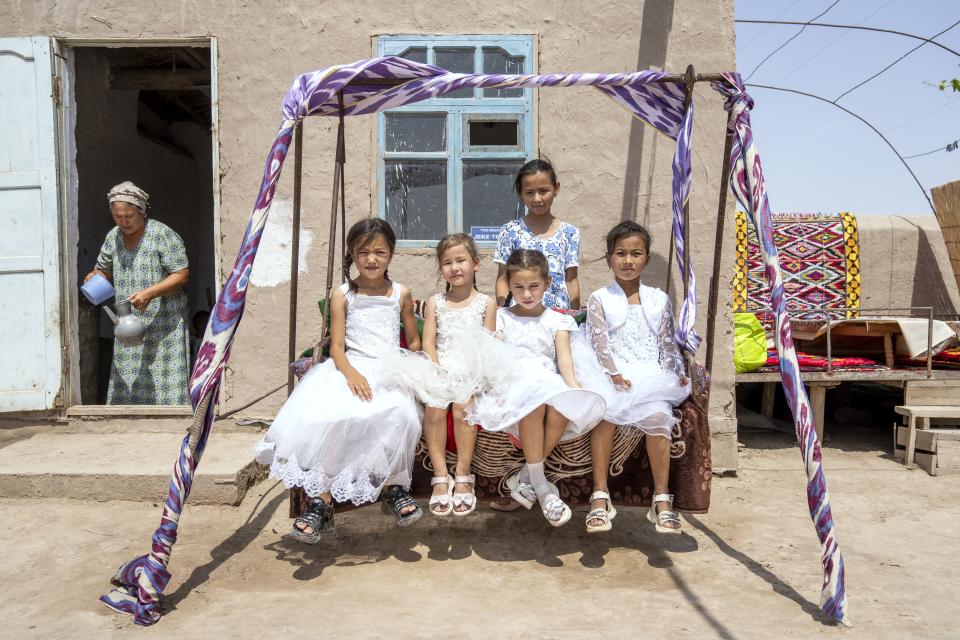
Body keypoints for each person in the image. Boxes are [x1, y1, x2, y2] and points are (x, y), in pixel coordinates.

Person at [255, 218, 425, 543]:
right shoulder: (343, 293)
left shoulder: (401, 293)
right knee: (335, 416)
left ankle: (394, 487)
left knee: (403, 415)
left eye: (380, 252)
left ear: (391, 254)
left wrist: (416, 366)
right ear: (352, 254)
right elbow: (336, 347)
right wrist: (351, 374)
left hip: (389, 368)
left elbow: (413, 341)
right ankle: (322, 502)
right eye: (364, 252)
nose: (371, 259)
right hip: (350, 367)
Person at [468, 249, 605, 527]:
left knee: (560, 406)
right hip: (513, 383)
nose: (527, 294)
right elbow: (493, 357)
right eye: (519, 287)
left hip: (546, 380)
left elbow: (565, 361)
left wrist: (575, 389)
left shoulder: (558, 320)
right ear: (508, 285)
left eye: (534, 287)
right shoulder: (502, 317)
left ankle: (527, 477)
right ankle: (542, 488)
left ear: (547, 284)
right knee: (535, 402)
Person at [571, 221, 691, 534]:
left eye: (635, 254)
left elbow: (666, 342)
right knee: (605, 414)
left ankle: (662, 498)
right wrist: (613, 374)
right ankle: (600, 495)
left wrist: (676, 370)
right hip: (612, 372)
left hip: (650, 372)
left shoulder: (658, 299)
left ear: (646, 259)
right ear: (609, 257)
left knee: (658, 418)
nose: (628, 260)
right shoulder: (601, 298)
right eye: (620, 253)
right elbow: (599, 343)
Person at [83, 181, 190, 405]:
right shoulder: (113, 237)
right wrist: (94, 277)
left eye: (129, 216)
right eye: (118, 217)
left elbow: (181, 274)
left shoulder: (162, 234)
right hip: (128, 320)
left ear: (142, 211)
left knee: (164, 374)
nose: (124, 222)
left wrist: (150, 293)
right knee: (129, 371)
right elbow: (102, 269)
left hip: (164, 323)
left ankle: (168, 421)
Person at [418, 234, 497, 517]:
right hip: (441, 366)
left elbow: (487, 342)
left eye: (461, 260)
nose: (455, 267)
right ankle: (441, 475)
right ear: (441, 269)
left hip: (473, 369)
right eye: (447, 263)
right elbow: (429, 342)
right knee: (435, 408)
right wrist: (437, 368)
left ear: (475, 263)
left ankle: (463, 473)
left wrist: (473, 376)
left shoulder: (486, 303)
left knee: (464, 406)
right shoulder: (435, 302)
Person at [493, 159, 581, 310]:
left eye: (543, 191)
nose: (537, 199)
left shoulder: (569, 233)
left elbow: (571, 280)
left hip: (558, 318)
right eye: (529, 192)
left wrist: (575, 318)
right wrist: (504, 313)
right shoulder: (509, 231)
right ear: (521, 194)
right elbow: (502, 278)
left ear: (556, 188)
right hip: (519, 318)